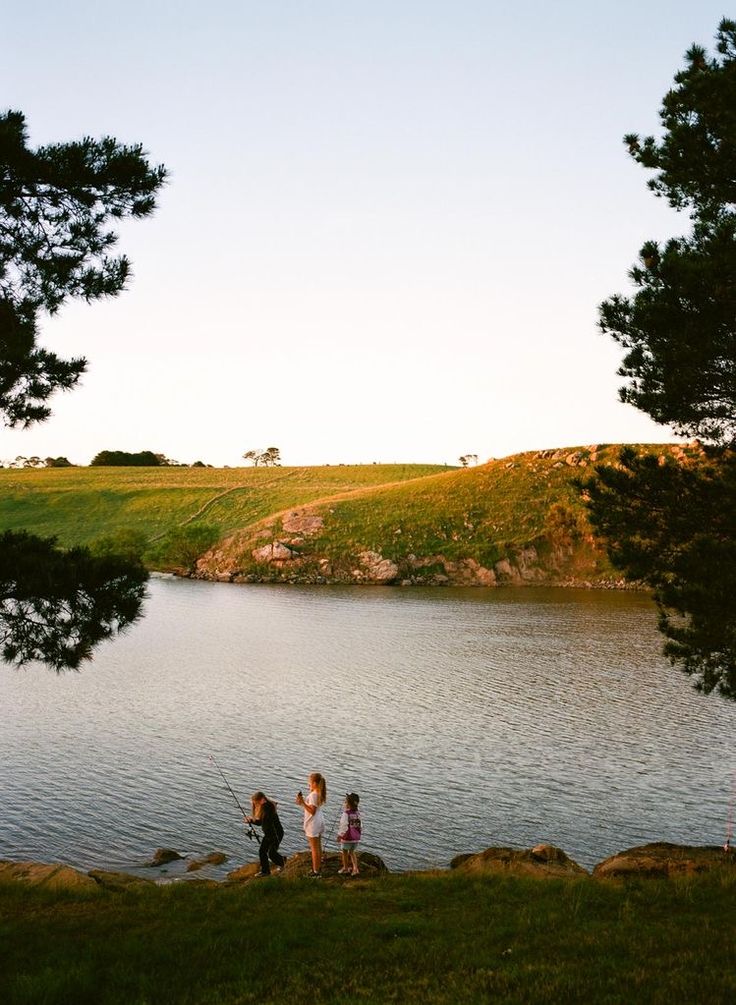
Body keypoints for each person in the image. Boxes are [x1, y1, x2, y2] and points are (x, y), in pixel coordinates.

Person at [246, 791, 285, 877]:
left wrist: (253, 819)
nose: (255, 805)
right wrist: (251, 821)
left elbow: (266, 819)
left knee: (271, 853)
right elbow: (261, 822)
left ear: (262, 800)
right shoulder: (264, 808)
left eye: (256, 803)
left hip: (276, 834)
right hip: (268, 834)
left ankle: (283, 862)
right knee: (262, 851)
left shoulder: (268, 808)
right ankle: (265, 871)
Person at [295, 772, 326, 876]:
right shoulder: (318, 792)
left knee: (314, 848)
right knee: (318, 846)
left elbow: (312, 811)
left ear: (315, 783)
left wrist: (303, 803)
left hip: (313, 823)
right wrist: (302, 802)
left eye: (310, 783)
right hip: (319, 820)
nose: (308, 784)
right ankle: (318, 866)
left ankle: (316, 872)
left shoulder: (313, 795)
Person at [337, 792, 362, 876]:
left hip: (347, 838)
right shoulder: (358, 813)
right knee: (352, 852)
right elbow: (360, 825)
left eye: (345, 802)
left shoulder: (346, 814)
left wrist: (340, 835)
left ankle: (345, 868)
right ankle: (355, 869)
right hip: (356, 837)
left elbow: (343, 826)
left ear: (347, 804)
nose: (344, 803)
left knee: (344, 852)